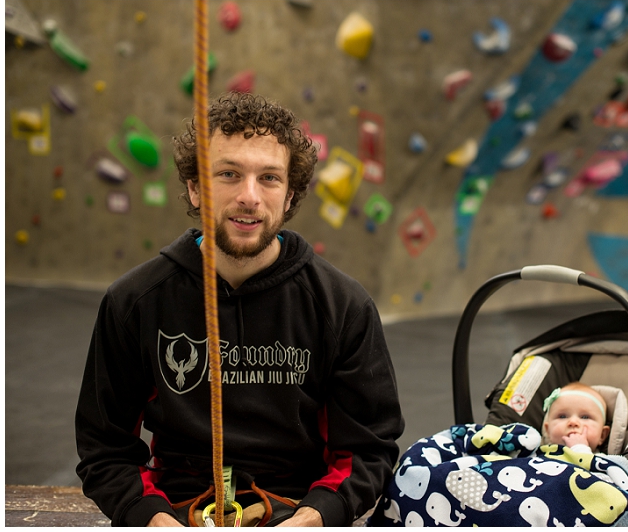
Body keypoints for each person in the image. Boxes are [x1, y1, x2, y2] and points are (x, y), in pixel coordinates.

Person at [75, 92, 405, 527]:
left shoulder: (343, 306)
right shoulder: (135, 302)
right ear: (195, 188)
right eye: (229, 174)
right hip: (176, 509)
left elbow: (368, 449)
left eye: (269, 178)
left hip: (297, 509)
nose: (249, 196)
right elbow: (105, 447)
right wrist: (152, 518)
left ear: (289, 195)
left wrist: (313, 517)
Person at [541, 382, 610, 454]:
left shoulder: (602, 460)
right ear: (548, 431)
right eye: (562, 416)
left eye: (585, 417)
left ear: (602, 435)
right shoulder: (538, 453)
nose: (573, 422)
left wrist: (580, 448)